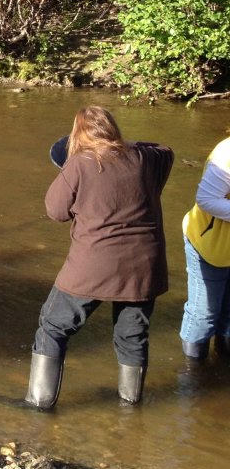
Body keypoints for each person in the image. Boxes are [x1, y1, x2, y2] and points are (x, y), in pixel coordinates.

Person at [25, 106, 173, 409]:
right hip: (143, 269)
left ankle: (39, 403)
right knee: (133, 335)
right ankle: (130, 408)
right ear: (113, 130)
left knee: (53, 326)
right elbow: (165, 150)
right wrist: (122, 146)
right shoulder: (145, 158)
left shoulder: (79, 164)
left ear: (77, 135)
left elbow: (56, 211)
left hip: (93, 267)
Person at [178, 134, 230, 363]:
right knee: (204, 313)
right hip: (209, 244)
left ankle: (221, 368)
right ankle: (193, 373)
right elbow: (206, 199)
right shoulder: (226, 154)